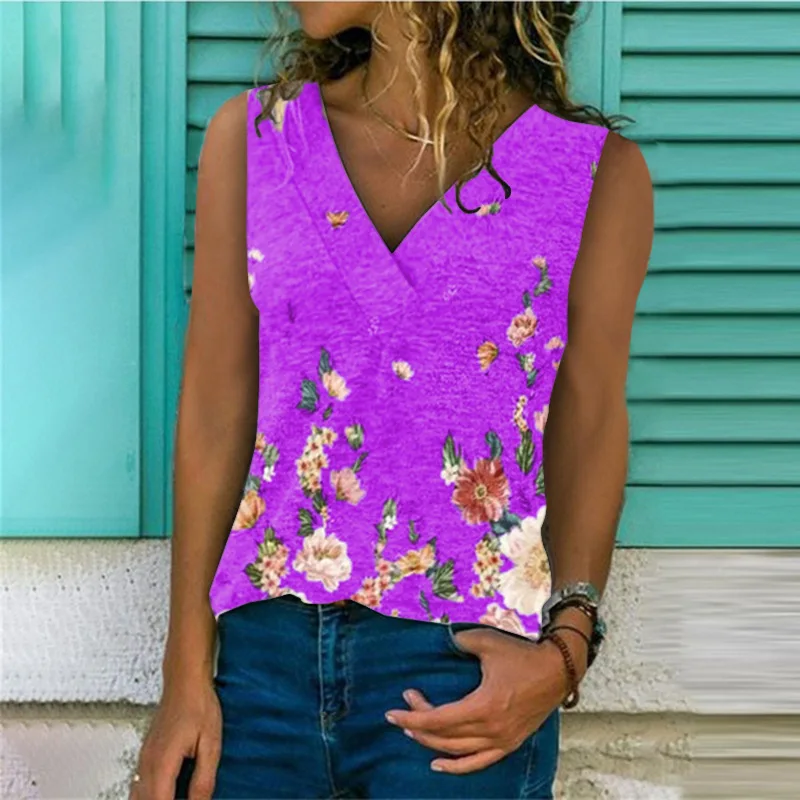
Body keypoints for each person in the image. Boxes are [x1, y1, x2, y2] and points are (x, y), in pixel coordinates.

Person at [132, 2, 652, 798]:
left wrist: (565, 653)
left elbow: (590, 423)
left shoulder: (592, 176)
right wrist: (184, 677)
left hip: (465, 680)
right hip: (256, 675)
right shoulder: (256, 141)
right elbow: (213, 413)